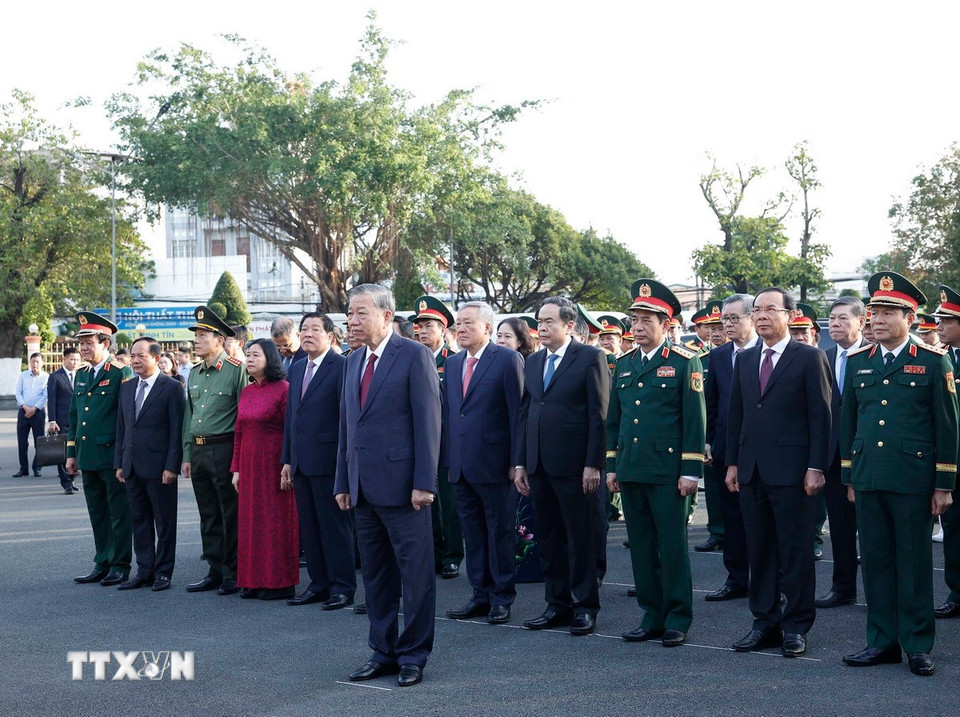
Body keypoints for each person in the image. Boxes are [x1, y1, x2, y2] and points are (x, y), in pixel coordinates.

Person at [840, 273, 958, 677]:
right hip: (870, 477)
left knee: (913, 563)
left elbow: (947, 427)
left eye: (889, 312)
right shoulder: (858, 362)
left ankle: (918, 643)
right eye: (875, 312)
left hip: (913, 478)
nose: (878, 319)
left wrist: (944, 484)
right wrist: (849, 476)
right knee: (875, 562)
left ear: (910, 316)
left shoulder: (931, 360)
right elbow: (849, 422)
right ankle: (881, 641)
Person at [335, 284, 441, 688]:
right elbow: (349, 426)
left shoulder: (413, 355)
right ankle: (383, 651)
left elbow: (429, 422)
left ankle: (413, 655)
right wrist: (344, 480)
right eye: (349, 313)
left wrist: (423, 482)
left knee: (415, 577)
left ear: (385, 315)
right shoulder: (352, 361)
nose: (352, 321)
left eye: (360, 313)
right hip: (362, 488)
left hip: (404, 489)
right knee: (376, 578)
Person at [725, 287, 832, 658]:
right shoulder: (745, 359)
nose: (762, 316)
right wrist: (733, 462)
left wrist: (816, 467)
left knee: (795, 552)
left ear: (790, 314)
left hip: (794, 472)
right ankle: (764, 622)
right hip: (752, 470)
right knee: (760, 550)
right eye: (757, 310)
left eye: (771, 309)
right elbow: (736, 415)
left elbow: (821, 417)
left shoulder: (809, 357)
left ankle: (796, 625)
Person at [607, 280, 705, 647]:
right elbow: (614, 420)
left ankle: (677, 616)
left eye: (648, 319)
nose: (639, 326)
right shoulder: (625, 363)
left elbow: (695, 421)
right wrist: (612, 466)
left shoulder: (683, 361)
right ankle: (651, 615)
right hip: (632, 469)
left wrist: (690, 470)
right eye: (636, 319)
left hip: (668, 473)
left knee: (672, 547)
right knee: (643, 546)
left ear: (666, 324)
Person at [514, 296, 609, 637]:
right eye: (540, 321)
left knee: (580, 537)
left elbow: (599, 415)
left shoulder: (590, 357)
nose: (542, 327)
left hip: (574, 465)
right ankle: (556, 603)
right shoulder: (535, 360)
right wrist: (521, 462)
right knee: (549, 538)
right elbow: (526, 413)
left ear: (569, 325)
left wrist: (593, 464)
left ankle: (585, 606)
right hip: (539, 464)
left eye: (550, 321)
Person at [443, 301, 524, 625]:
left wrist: (516, 462)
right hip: (461, 465)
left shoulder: (506, 359)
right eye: (458, 324)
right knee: (473, 535)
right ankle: (479, 594)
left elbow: (517, 414)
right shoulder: (452, 364)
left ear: (487, 328)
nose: (459, 329)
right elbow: (451, 414)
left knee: (499, 533)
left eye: (467, 323)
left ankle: (502, 597)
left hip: (495, 464)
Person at [281, 312, 355, 609]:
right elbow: (291, 418)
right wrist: (287, 459)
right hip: (300, 462)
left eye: (315, 329)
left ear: (330, 336)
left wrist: (345, 463)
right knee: (309, 528)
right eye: (304, 329)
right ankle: (318, 582)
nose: (308, 333)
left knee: (334, 527)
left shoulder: (342, 366)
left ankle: (342, 586)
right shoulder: (297, 368)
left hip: (329, 460)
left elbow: (347, 418)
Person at [181, 306, 248, 596]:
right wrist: (186, 456)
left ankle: (233, 572)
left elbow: (246, 418)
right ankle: (214, 568)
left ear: (219, 340)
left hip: (224, 449)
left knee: (229, 513)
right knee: (207, 513)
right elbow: (189, 418)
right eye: (195, 335)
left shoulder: (236, 370)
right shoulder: (194, 373)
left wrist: (239, 461)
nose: (196, 340)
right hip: (198, 451)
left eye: (202, 335)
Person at [66, 312, 134, 586]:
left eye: (88, 342)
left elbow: (127, 419)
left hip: (111, 455)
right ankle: (102, 561)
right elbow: (74, 417)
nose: (83, 347)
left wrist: (123, 458)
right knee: (97, 511)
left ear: (105, 343)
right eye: (81, 342)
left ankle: (120, 564)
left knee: (118, 512)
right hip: (87, 455)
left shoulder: (121, 373)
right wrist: (71, 453)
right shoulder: (81, 375)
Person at [114, 337, 185, 592]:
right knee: (140, 521)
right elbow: (122, 427)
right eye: (133, 355)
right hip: (131, 466)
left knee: (164, 522)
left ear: (156, 358)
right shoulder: (127, 387)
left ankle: (163, 572)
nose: (134, 360)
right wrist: (120, 463)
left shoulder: (172, 387)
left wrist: (171, 466)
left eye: (140, 356)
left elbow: (177, 429)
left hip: (160, 468)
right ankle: (144, 570)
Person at [230, 339, 298, 600]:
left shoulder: (284, 389)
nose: (249, 359)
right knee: (250, 523)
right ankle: (252, 580)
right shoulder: (247, 391)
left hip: (274, 466)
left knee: (275, 523)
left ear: (270, 359)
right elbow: (239, 433)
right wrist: (236, 469)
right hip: (248, 466)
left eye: (255, 355)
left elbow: (291, 431)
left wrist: (287, 463)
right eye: (247, 354)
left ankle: (279, 582)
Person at [815, 296, 869, 609]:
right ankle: (843, 587)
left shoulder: (873, 355)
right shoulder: (823, 356)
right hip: (834, 456)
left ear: (861, 322)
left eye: (843, 318)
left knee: (875, 529)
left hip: (869, 456)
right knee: (840, 526)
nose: (835, 324)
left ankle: (882, 592)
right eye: (832, 318)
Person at [703, 294, 757, 602]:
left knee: (761, 519)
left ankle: (771, 580)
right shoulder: (719, 355)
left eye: (734, 318)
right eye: (725, 319)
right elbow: (712, 403)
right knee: (732, 518)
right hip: (726, 448)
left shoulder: (765, 353)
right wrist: (709, 441)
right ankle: (736, 578)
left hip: (760, 449)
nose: (728, 324)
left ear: (751, 318)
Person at [412, 295, 464, 581]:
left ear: (443, 329)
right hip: (419, 441)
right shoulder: (411, 359)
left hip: (446, 441)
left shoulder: (453, 362)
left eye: (428, 325)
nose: (421, 330)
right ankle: (429, 552)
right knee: (421, 499)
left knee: (447, 500)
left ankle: (452, 555)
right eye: (418, 325)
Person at [932, 285, 960, 620]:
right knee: (953, 529)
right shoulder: (939, 359)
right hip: (952, 463)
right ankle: (956, 591)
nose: (939, 326)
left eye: (947, 320)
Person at [689, 301, 726, 553]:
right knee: (712, 487)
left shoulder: (741, 356)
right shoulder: (699, 359)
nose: (715, 332)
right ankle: (717, 531)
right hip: (708, 430)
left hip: (731, 431)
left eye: (720, 326)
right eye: (710, 327)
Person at [47, 347, 82, 493]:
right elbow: (52, 400)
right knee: (64, 453)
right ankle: (66, 482)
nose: (74, 362)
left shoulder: (82, 375)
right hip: (62, 421)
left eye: (77, 360)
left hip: (80, 420)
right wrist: (52, 420)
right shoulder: (55, 376)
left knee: (76, 450)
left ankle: (72, 479)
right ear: (64, 359)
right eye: (72, 359)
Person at [14, 352, 48, 478]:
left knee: (39, 441)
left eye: (38, 362)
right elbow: (18, 392)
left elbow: (45, 396)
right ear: (30, 362)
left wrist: (34, 409)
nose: (35, 364)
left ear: (42, 363)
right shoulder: (23, 376)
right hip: (23, 411)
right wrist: (25, 407)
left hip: (38, 413)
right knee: (22, 442)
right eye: (33, 361)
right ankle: (23, 468)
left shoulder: (46, 377)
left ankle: (37, 467)